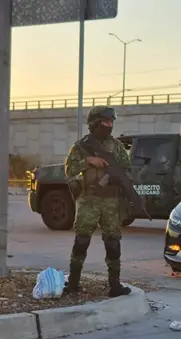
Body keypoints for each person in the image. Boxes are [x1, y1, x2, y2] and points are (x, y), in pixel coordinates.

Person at [64, 105, 132, 298]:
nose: (109, 125)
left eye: (111, 122)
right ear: (94, 123)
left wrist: (117, 178)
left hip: (110, 200)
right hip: (89, 200)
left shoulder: (116, 146)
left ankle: (115, 285)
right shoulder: (80, 147)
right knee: (81, 241)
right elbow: (69, 170)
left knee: (113, 243)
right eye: (106, 122)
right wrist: (88, 162)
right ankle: (73, 283)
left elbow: (127, 169)